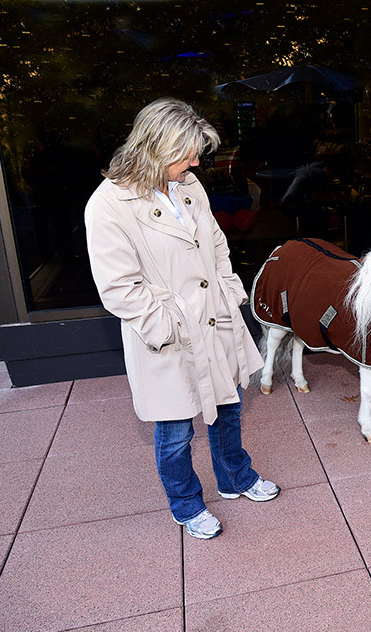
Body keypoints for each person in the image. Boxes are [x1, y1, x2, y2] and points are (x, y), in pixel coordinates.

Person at [85, 98, 279, 541]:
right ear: (154, 147)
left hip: (216, 320)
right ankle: (186, 504)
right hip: (169, 334)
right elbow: (118, 287)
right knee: (174, 429)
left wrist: (230, 292)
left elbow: (216, 243)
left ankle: (235, 479)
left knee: (229, 408)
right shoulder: (108, 205)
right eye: (187, 153)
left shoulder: (189, 185)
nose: (195, 161)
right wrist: (167, 327)